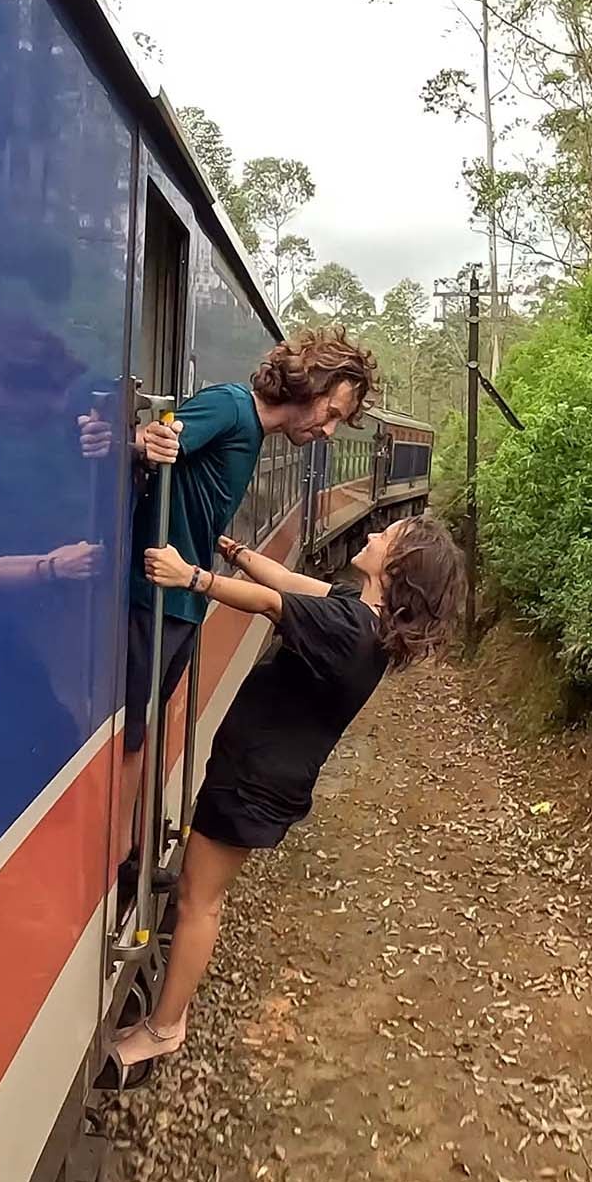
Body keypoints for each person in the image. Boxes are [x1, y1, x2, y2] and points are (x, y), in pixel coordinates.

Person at [110, 514, 464, 1078]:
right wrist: (240, 552)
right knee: (200, 894)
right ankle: (164, 1022)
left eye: (385, 537)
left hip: (253, 784)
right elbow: (287, 584)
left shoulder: (347, 628)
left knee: (198, 901)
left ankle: (164, 1028)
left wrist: (193, 577)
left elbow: (273, 605)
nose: (372, 537)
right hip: (260, 778)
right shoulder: (361, 618)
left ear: (396, 567)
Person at [119, 328, 380, 855]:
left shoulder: (252, 432)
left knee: (142, 729)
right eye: (331, 412)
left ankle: (132, 850)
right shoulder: (231, 406)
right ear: (309, 384)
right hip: (158, 597)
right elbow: (162, 442)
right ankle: (123, 857)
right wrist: (150, 442)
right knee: (130, 734)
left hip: (178, 606)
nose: (329, 430)